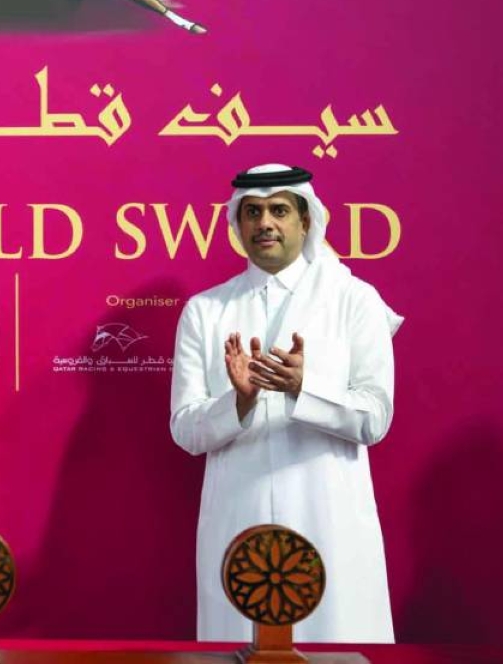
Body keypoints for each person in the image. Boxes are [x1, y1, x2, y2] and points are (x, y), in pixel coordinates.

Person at [169, 163, 402, 642]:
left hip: (328, 518)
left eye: (279, 210)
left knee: (336, 643)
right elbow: (186, 430)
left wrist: (304, 387)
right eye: (251, 213)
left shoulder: (354, 300)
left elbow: (374, 417)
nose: (264, 223)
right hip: (239, 515)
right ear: (238, 226)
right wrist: (239, 402)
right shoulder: (206, 310)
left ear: (306, 220)